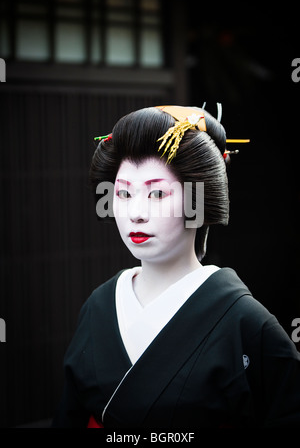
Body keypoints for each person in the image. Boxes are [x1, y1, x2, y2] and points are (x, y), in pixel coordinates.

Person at [52, 105, 300, 428]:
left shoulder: (246, 322)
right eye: (124, 193)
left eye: (157, 193)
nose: (136, 212)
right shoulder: (98, 306)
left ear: (198, 200)